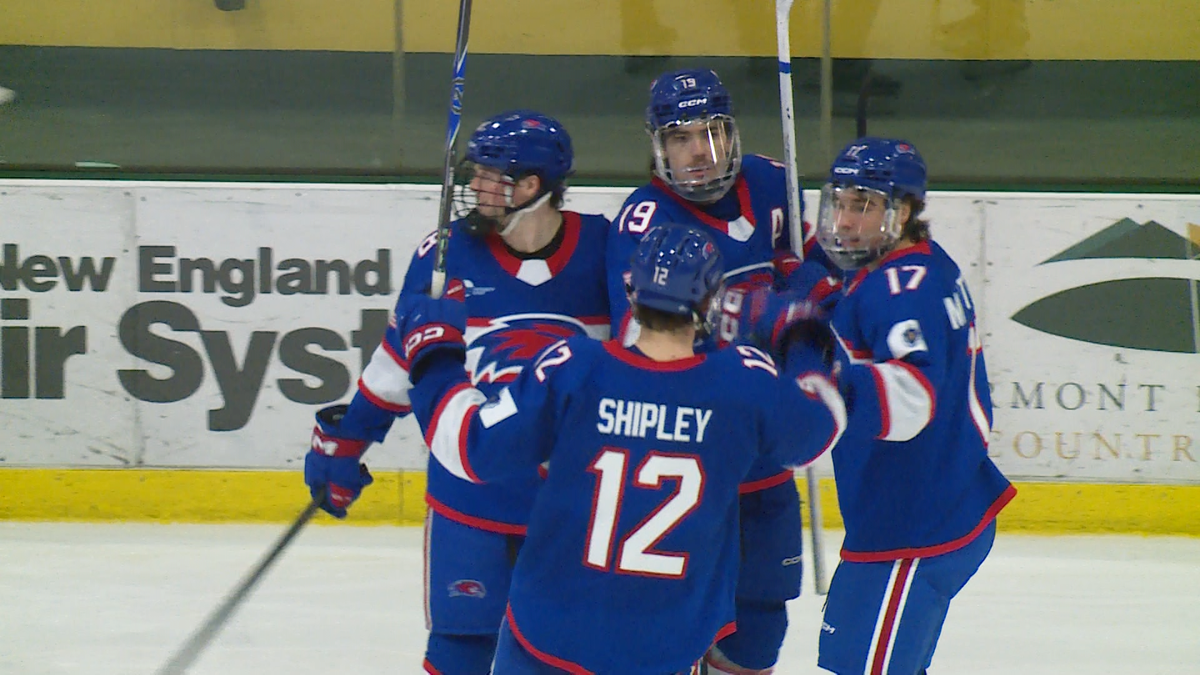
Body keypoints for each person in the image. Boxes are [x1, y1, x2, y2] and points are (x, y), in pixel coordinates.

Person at [400, 222, 848, 673]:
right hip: (660, 648)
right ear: (711, 302)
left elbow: (467, 446)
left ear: (631, 291)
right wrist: (802, 335)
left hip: (549, 640)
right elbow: (819, 428)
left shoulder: (576, 367)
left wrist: (435, 354)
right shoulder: (741, 382)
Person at [303, 109, 612, 675]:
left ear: (530, 187)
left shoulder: (605, 251)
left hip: (572, 511)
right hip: (469, 501)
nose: (473, 186)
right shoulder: (445, 256)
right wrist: (347, 444)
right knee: (460, 650)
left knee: (574, 657)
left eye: (489, 175)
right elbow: (397, 366)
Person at [758, 137, 1016, 674]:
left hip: (913, 529)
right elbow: (862, 317)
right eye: (842, 203)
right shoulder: (910, 264)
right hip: (929, 509)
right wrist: (821, 297)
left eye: (865, 206)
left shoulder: (902, 289)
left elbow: (913, 394)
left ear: (901, 212)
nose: (846, 221)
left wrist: (823, 373)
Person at [608, 67, 835, 674]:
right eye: (681, 137)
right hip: (685, 465)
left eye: (711, 132)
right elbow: (638, 343)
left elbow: (816, 275)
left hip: (763, 460)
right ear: (657, 145)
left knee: (760, 622)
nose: (699, 152)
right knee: (666, 629)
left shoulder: (772, 184)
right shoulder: (643, 222)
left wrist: (810, 282)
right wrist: (752, 314)